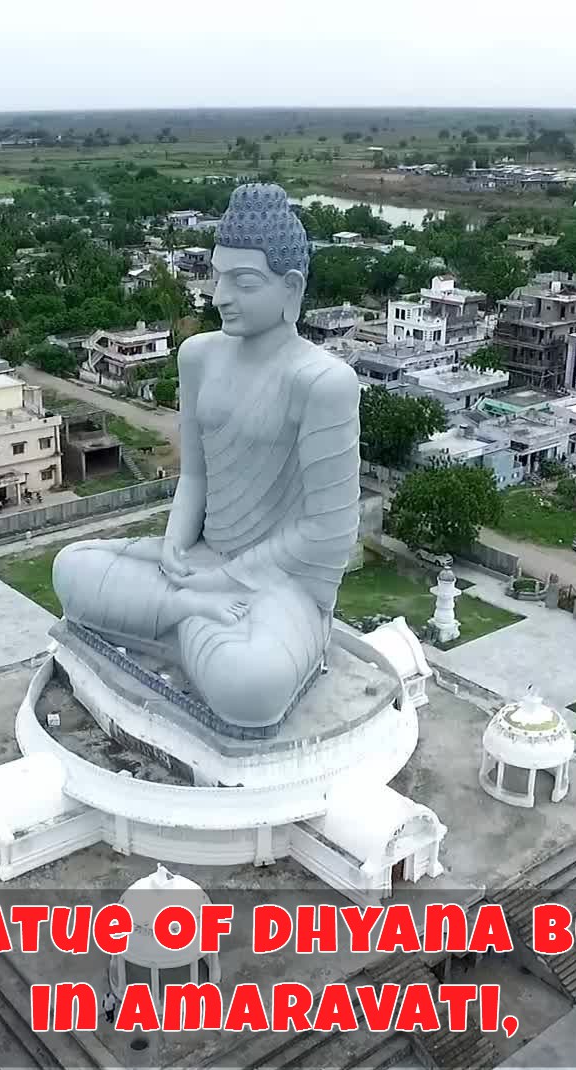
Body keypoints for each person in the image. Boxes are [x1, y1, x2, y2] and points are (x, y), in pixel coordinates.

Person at [51, 183, 361, 734]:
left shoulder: (324, 382)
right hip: (200, 563)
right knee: (70, 568)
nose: (221, 296)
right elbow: (195, 472)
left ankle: (171, 621)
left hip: (277, 586)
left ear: (290, 287)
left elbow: (330, 532)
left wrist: (226, 580)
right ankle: (180, 617)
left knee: (251, 684)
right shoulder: (199, 356)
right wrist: (175, 543)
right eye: (218, 276)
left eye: (244, 282)